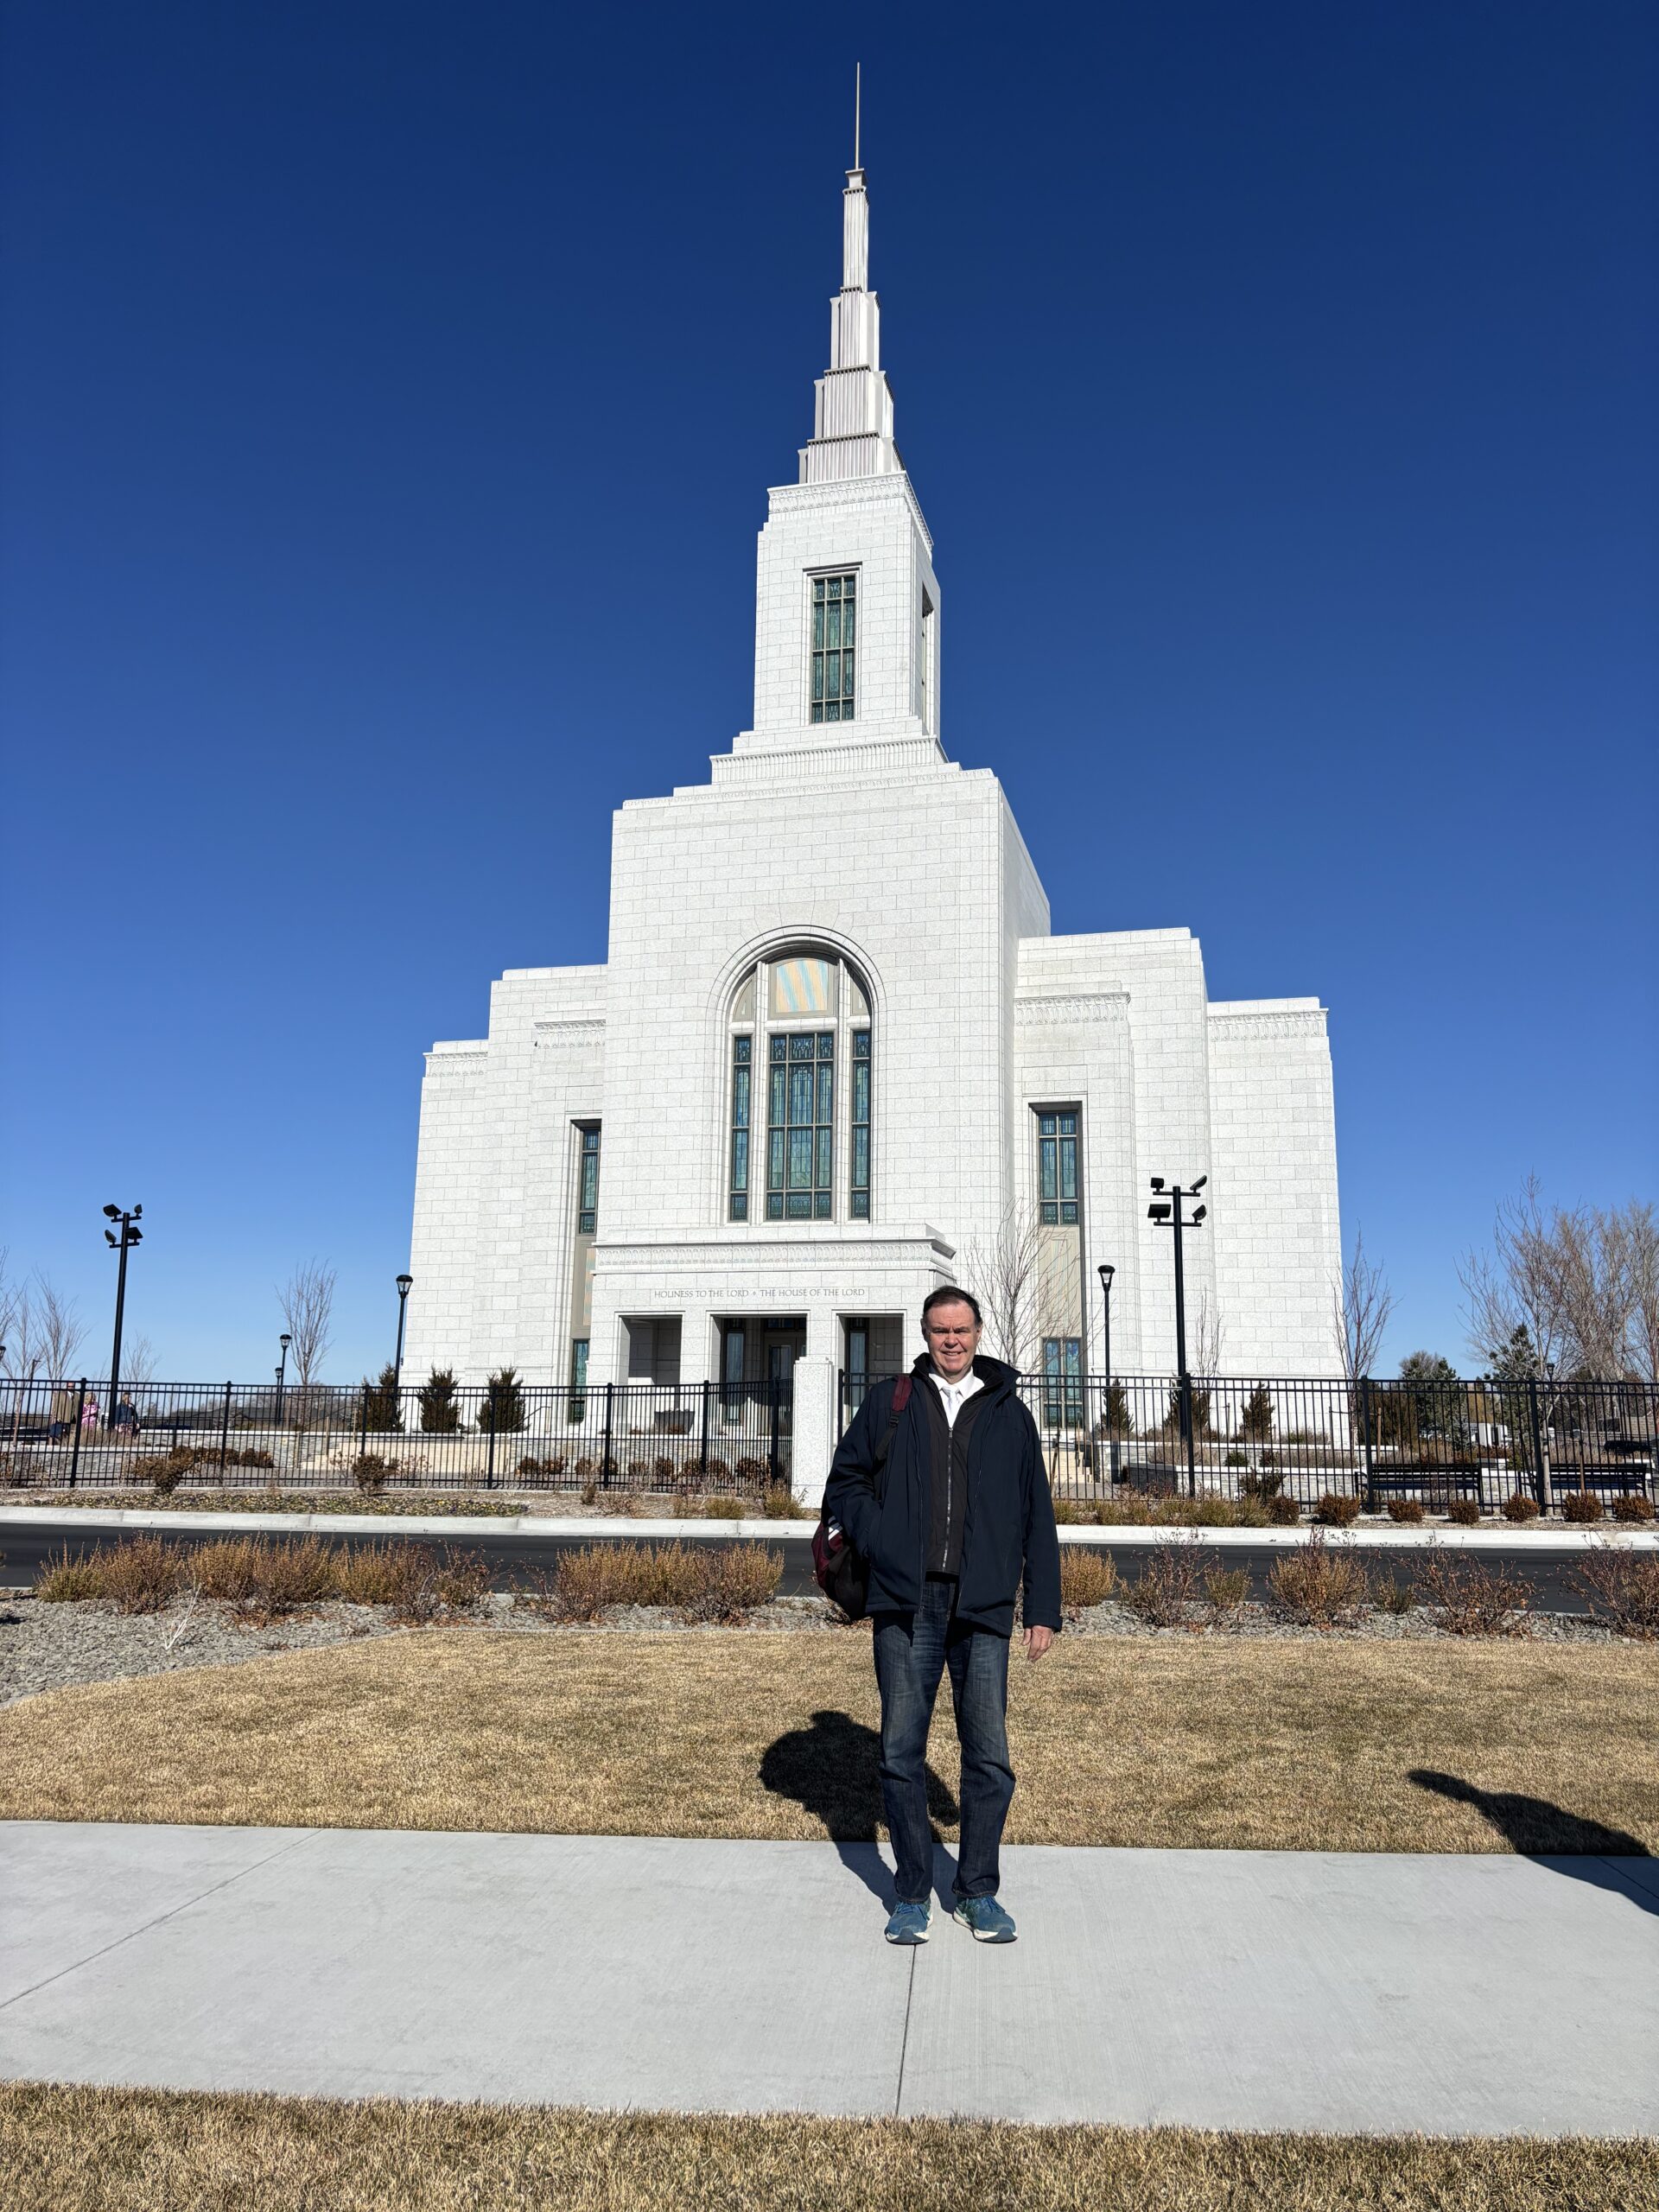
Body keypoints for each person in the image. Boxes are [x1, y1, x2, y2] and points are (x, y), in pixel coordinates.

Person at [823, 1285, 1061, 1946]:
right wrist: (882, 1540)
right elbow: (845, 1482)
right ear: (925, 1335)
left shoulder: (1009, 1411)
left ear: (978, 1333)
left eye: (961, 1330)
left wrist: (1042, 1606)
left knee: (989, 1756)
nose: (951, 1341)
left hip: (982, 1604)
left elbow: (1036, 1513)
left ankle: (977, 1891)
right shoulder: (892, 1401)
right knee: (901, 1752)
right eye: (939, 1330)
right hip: (907, 1603)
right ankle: (910, 1895)